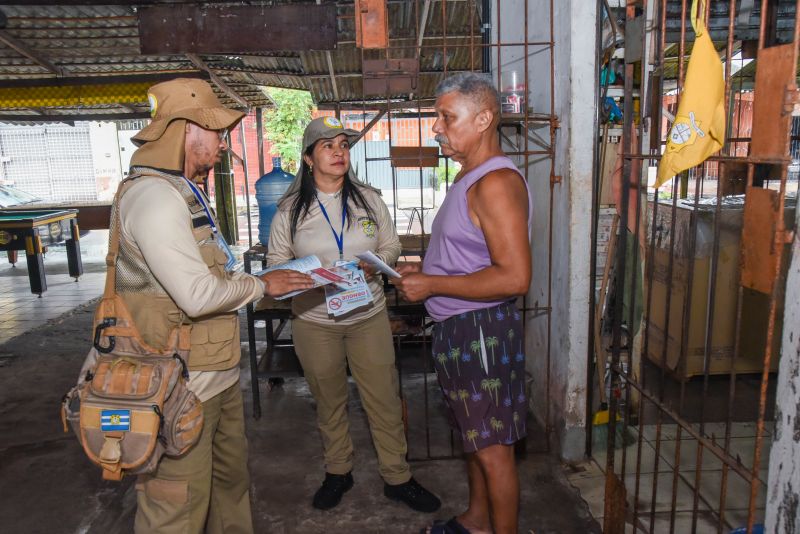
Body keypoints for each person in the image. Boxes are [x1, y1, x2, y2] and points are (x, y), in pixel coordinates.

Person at [117, 78, 313, 533]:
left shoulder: (183, 191)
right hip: (177, 387)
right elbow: (196, 294)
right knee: (177, 505)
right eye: (217, 133)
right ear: (187, 130)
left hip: (215, 376)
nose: (224, 145)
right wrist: (262, 285)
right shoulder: (154, 198)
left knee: (229, 489)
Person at [266, 116, 441, 514]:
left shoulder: (368, 199)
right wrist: (308, 276)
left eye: (343, 144)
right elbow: (276, 262)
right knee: (329, 400)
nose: (338, 152)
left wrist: (375, 263)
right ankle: (338, 471)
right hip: (314, 321)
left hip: (368, 315)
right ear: (309, 158)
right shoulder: (291, 210)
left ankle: (397, 477)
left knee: (383, 397)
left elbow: (392, 245)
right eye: (327, 146)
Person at [394, 72, 533, 534]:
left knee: (494, 451)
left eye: (446, 117)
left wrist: (432, 285)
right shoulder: (469, 177)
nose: (436, 126)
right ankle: (476, 520)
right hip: (461, 328)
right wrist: (426, 273)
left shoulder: (494, 184)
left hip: (481, 332)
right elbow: (466, 256)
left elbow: (514, 276)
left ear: (483, 119)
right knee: (474, 437)